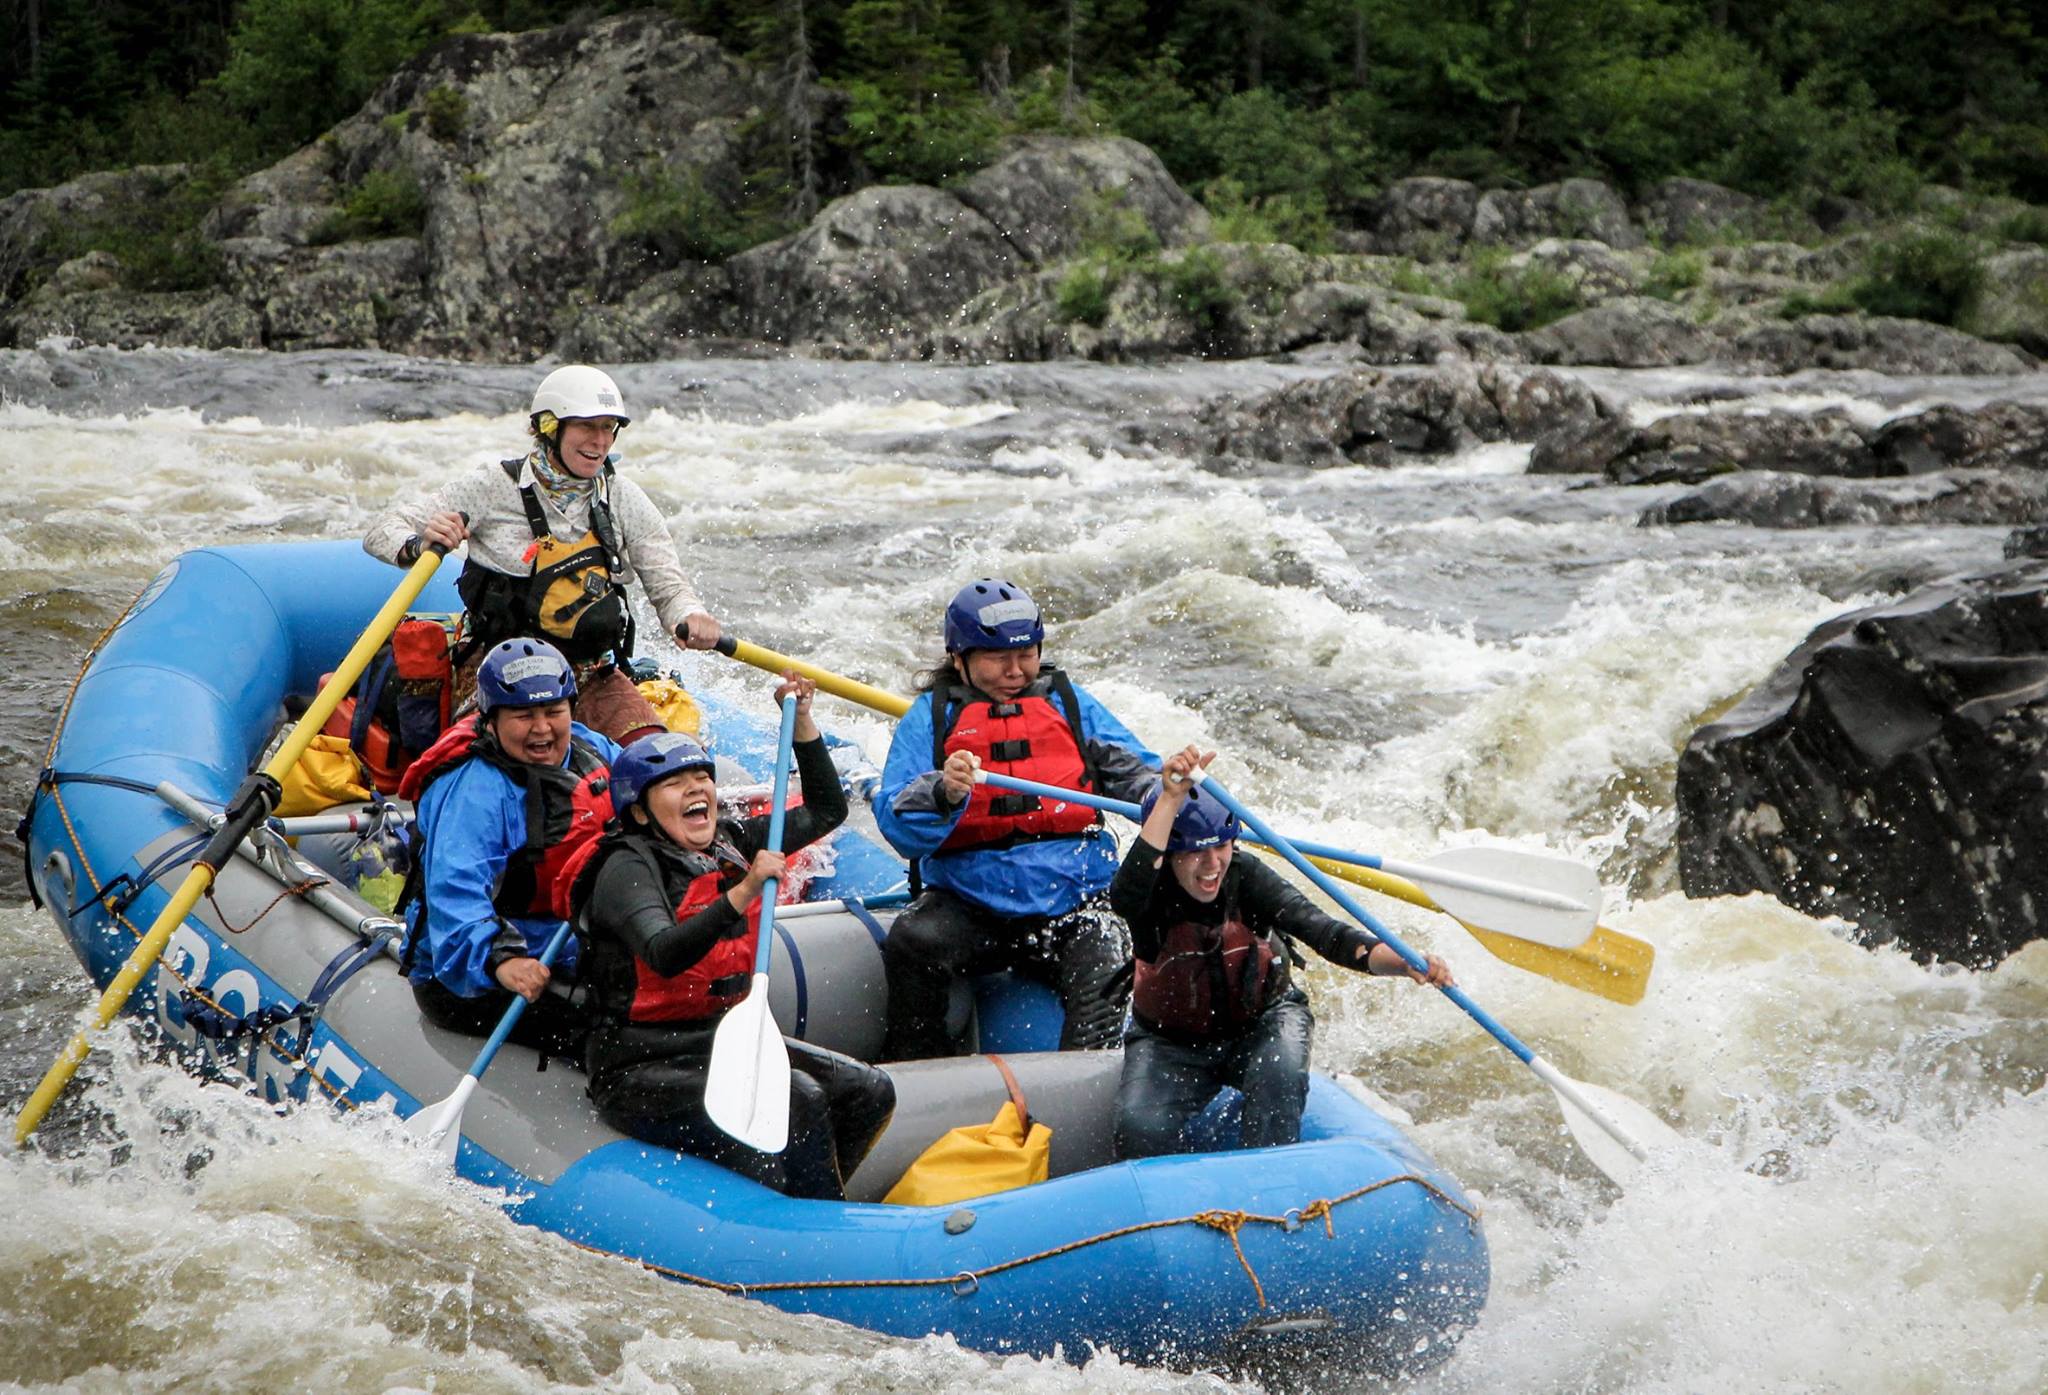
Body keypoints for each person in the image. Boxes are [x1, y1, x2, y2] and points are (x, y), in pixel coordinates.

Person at [562, 675, 894, 1200]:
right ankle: (814, 1228)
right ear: (642, 810)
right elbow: (664, 953)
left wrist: (803, 724)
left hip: (721, 1041)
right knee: (799, 1100)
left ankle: (811, 1203)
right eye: (675, 782)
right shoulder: (625, 867)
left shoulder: (728, 842)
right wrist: (742, 893)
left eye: (701, 776)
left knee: (868, 1090)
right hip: (639, 1066)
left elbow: (828, 810)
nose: (696, 788)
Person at [1111, 747, 1455, 1160]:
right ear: (1167, 855)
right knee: (1139, 1126)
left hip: (1262, 1023)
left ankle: (1268, 1185)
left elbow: (1328, 934)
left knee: (1279, 1070)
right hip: (1170, 1042)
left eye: (1220, 847)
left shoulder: (1245, 874)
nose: (1211, 865)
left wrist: (1403, 963)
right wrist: (1168, 798)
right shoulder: (1148, 894)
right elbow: (1124, 894)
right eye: (1195, 852)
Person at [363, 363, 722, 745]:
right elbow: (380, 530)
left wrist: (690, 614)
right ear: (549, 427)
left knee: (655, 760)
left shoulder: (623, 498)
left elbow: (669, 587)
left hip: (590, 672)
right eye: (588, 426)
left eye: (608, 427)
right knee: (499, 760)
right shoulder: (492, 486)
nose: (600, 441)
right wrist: (418, 544)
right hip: (501, 669)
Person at [875, 579, 1157, 1060]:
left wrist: (1165, 793)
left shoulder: (1068, 704)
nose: (1015, 669)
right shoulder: (931, 717)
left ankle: (1084, 1089)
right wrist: (942, 790)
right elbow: (897, 821)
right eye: (998, 657)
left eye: (1026, 654)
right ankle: (919, 1076)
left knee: (1110, 950)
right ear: (960, 657)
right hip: (972, 903)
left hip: (1073, 900)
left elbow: (1137, 774)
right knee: (912, 943)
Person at [397, 637, 620, 1057]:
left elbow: (656, 794)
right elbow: (456, 896)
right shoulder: (475, 792)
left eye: (554, 712)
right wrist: (502, 961)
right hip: (474, 977)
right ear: (492, 719)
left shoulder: (592, 752)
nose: (542, 728)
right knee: (609, 1030)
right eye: (523, 715)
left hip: (572, 950)